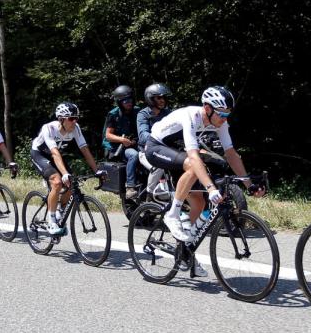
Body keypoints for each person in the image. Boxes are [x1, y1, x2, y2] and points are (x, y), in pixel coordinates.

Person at [145, 86, 265, 274]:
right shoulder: (191, 116)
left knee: (199, 203)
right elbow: (193, 156)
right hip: (156, 147)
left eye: (227, 115)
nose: (224, 119)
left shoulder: (221, 123)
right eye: (221, 114)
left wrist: (249, 184)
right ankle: (172, 214)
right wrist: (211, 188)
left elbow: (231, 154)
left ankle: (184, 252)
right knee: (195, 165)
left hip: (178, 152)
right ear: (207, 108)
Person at [30, 102, 106, 235]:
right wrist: (64, 173)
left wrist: (96, 170)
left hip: (55, 156)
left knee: (71, 184)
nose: (74, 121)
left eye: (76, 118)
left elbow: (85, 149)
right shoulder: (48, 128)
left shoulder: (75, 128)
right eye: (71, 118)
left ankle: (59, 209)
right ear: (61, 119)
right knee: (57, 181)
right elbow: (54, 152)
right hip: (40, 154)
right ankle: (51, 220)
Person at [102, 85, 141, 197]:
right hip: (118, 149)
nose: (129, 102)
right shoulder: (114, 114)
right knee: (134, 155)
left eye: (130, 100)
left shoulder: (138, 111)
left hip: (135, 143)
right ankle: (130, 186)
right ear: (120, 102)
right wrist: (122, 140)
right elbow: (108, 135)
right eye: (125, 101)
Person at [137, 83, 173, 196]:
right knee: (159, 166)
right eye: (159, 98)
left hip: (165, 149)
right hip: (146, 150)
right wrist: (158, 139)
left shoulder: (167, 113)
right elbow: (143, 135)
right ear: (150, 99)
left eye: (163, 97)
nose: (162, 100)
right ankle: (149, 196)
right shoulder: (143, 114)